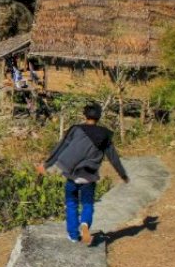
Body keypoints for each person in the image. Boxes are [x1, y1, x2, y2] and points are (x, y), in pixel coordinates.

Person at [36, 103, 129, 244]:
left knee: (71, 204)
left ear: (85, 115)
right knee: (87, 204)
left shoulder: (76, 129)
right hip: (89, 177)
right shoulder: (105, 135)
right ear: (99, 116)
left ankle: (73, 235)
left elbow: (61, 147)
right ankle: (85, 223)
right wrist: (123, 175)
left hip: (72, 175)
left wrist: (47, 164)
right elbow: (113, 157)